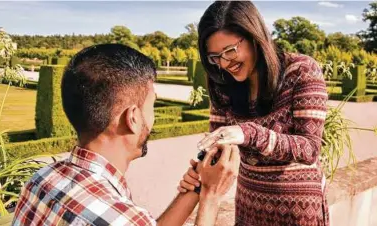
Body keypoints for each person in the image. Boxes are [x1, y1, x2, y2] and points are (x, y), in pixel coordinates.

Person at [12, 43, 240, 226]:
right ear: (132, 118)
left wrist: (196, 188)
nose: (153, 118)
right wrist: (211, 196)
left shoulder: (41, 179)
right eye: (152, 106)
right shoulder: (122, 218)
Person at [178, 1, 329, 225]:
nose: (224, 63)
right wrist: (201, 170)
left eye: (229, 51)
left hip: (298, 209)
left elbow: (310, 149)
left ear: (255, 37)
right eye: (215, 56)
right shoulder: (222, 83)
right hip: (249, 206)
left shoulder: (301, 70)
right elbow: (218, 142)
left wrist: (248, 132)